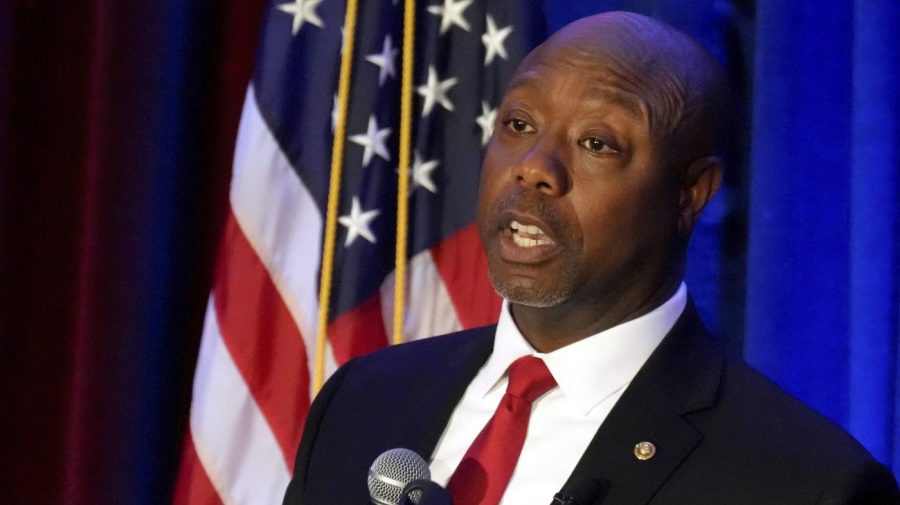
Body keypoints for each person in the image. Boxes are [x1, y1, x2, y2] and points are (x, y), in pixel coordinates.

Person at [282, 11, 900, 505]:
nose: (535, 169)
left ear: (691, 195)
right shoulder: (362, 403)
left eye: (596, 143)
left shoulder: (804, 484)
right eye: (520, 125)